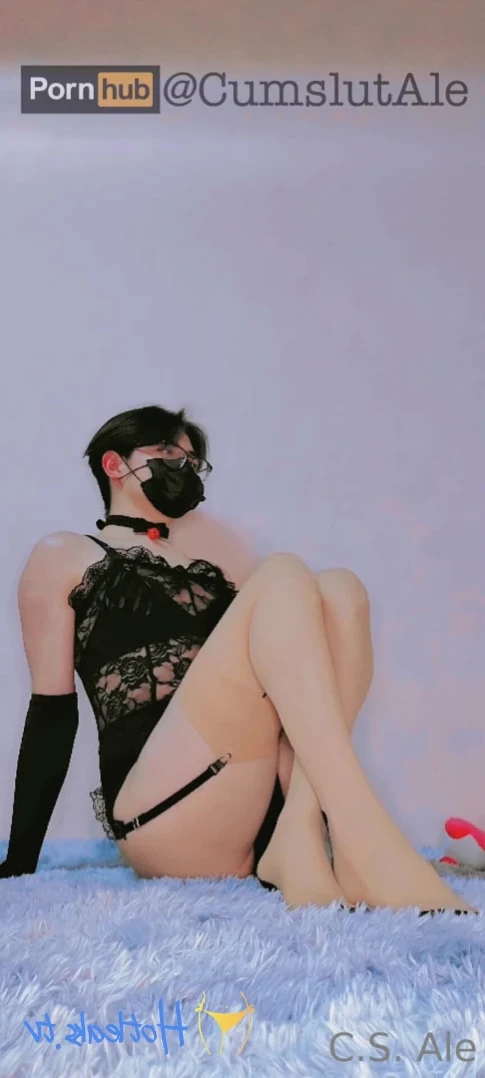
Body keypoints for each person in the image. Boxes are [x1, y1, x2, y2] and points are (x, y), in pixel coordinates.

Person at [0, 405, 474, 915]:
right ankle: (368, 845)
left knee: (341, 589)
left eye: (191, 461)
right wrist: (19, 862)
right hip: (163, 815)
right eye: (167, 453)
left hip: (248, 816)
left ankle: (300, 834)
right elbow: (52, 712)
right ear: (114, 464)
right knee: (283, 573)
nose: (183, 468)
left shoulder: (213, 571)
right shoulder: (66, 554)